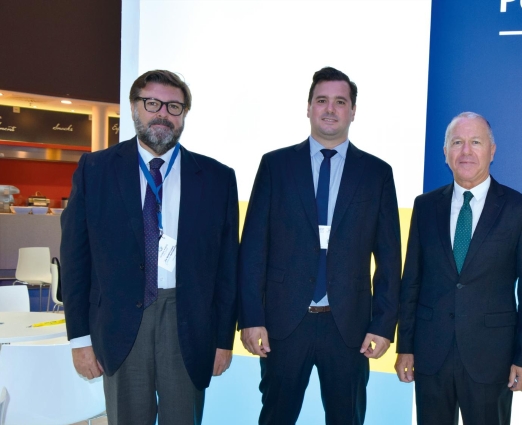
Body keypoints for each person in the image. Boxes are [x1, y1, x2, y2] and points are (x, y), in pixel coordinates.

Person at [61, 70, 239, 424]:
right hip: (120, 322)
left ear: (185, 114)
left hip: (187, 322)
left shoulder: (218, 177)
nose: (163, 114)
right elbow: (75, 260)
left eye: (174, 106)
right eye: (152, 103)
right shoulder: (94, 170)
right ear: (134, 108)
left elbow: (227, 267)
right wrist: (79, 340)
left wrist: (223, 340)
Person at [237, 66, 402, 425]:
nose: (330, 109)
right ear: (308, 107)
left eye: (340, 102)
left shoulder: (377, 173)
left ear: (353, 111)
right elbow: (252, 249)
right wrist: (251, 317)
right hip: (283, 324)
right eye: (322, 100)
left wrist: (383, 323)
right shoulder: (275, 165)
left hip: (350, 329)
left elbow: (389, 259)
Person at [395, 112, 522, 425]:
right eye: (457, 143)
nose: (466, 151)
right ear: (446, 153)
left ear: (492, 150)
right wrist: (405, 347)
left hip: (493, 360)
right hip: (430, 355)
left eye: (475, 142)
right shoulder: (425, 206)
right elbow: (412, 282)